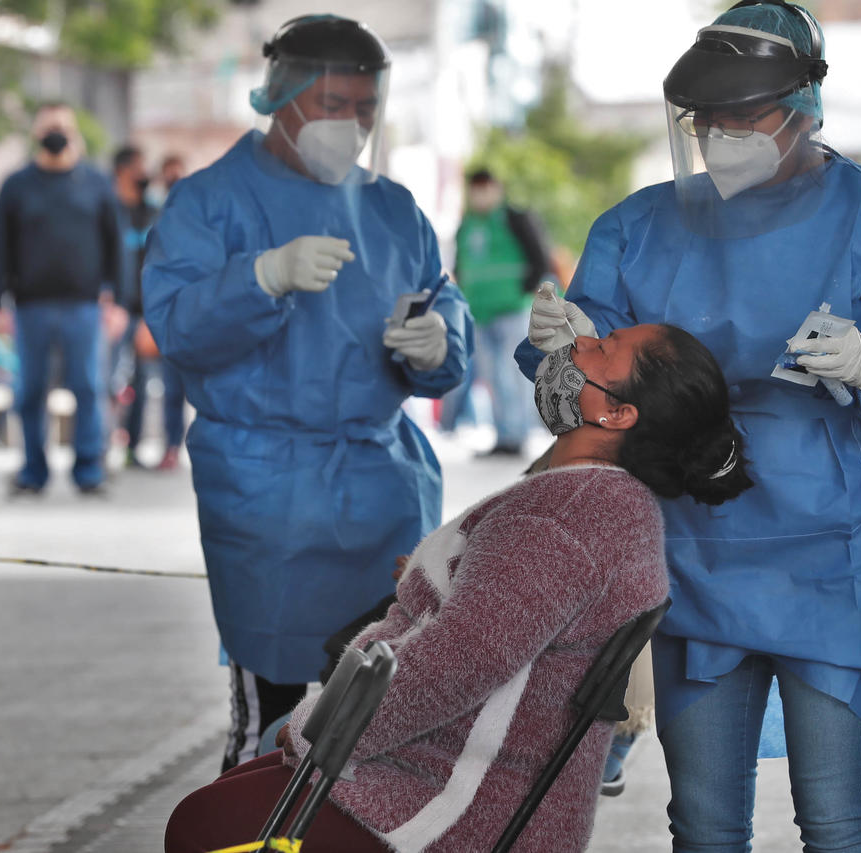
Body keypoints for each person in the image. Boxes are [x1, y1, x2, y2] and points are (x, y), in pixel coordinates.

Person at [515, 3, 861, 850]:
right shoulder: (639, 225)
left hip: (837, 552)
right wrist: (554, 350)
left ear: (804, 106)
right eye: (709, 123)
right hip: (694, 547)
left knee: (839, 815)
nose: (722, 137)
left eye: (744, 118)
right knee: (703, 820)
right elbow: (583, 383)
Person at [165, 324, 754, 853]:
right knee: (241, 779)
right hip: (461, 771)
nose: (575, 344)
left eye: (600, 350)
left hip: (454, 804)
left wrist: (319, 732)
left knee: (201, 824)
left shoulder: (566, 515)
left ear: (619, 414)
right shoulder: (595, 499)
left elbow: (455, 666)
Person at [143, 14, 474, 771]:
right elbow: (178, 327)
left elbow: (439, 306)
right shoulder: (210, 203)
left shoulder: (392, 209)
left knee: (378, 707)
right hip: (267, 489)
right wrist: (257, 278)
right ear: (280, 98)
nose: (351, 125)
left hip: (384, 482)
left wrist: (438, 342)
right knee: (279, 711)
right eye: (332, 105)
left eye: (364, 107)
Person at [0, 101, 122, 495]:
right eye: (48, 126)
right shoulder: (16, 186)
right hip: (30, 307)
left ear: (74, 131)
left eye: (62, 126)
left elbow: (115, 246)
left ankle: (89, 471)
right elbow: (0, 247)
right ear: (35, 133)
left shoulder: (96, 184)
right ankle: (33, 471)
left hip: (85, 306)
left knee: (88, 388)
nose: (55, 133)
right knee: (29, 392)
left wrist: (118, 300)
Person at [444, 168, 553, 456]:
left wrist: (524, 290)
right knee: (492, 377)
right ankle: (504, 435)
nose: (480, 193)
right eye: (475, 187)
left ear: (497, 187)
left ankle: (517, 435)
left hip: (511, 310)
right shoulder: (466, 223)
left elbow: (539, 255)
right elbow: (461, 264)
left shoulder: (514, 218)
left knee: (512, 375)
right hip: (479, 312)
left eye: (485, 186)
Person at [108, 144, 160, 469]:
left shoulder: (152, 213)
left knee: (141, 382)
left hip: (144, 313)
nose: (143, 175)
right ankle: (103, 445)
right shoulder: (107, 210)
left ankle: (133, 447)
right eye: (136, 168)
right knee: (106, 381)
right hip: (111, 310)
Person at [152, 154, 188, 471]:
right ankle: (171, 446)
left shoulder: (203, 215)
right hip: (170, 318)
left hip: (201, 316)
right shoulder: (155, 216)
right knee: (172, 389)